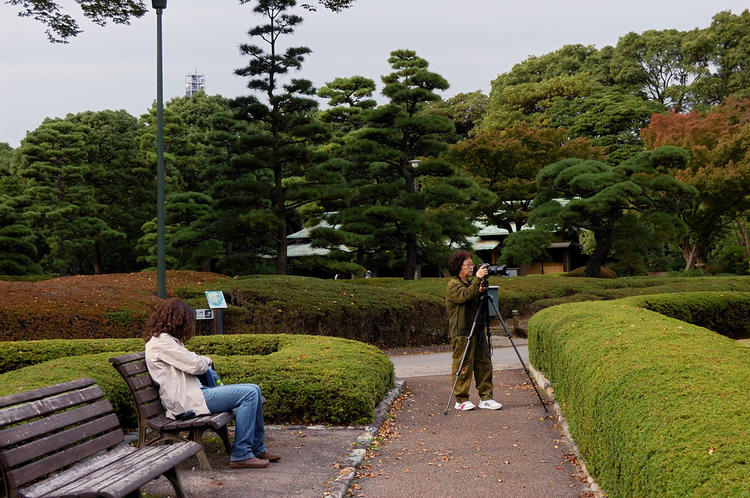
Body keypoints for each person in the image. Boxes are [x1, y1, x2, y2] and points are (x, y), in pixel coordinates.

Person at [143, 298, 280, 469]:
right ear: (178, 321)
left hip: (195, 393)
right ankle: (241, 454)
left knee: (254, 389)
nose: (189, 327)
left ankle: (257, 448)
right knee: (250, 393)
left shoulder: (168, 340)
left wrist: (202, 361)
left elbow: (191, 360)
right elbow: (195, 365)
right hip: (187, 402)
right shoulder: (161, 342)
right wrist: (206, 360)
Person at [445, 251, 503, 411]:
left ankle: (486, 398)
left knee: (484, 363)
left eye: (472, 264)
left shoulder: (471, 284)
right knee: (463, 364)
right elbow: (464, 296)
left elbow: (475, 300)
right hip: (462, 332)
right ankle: (461, 399)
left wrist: (481, 291)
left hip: (477, 329)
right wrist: (477, 280)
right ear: (458, 267)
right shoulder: (453, 285)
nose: (472, 267)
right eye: (468, 265)